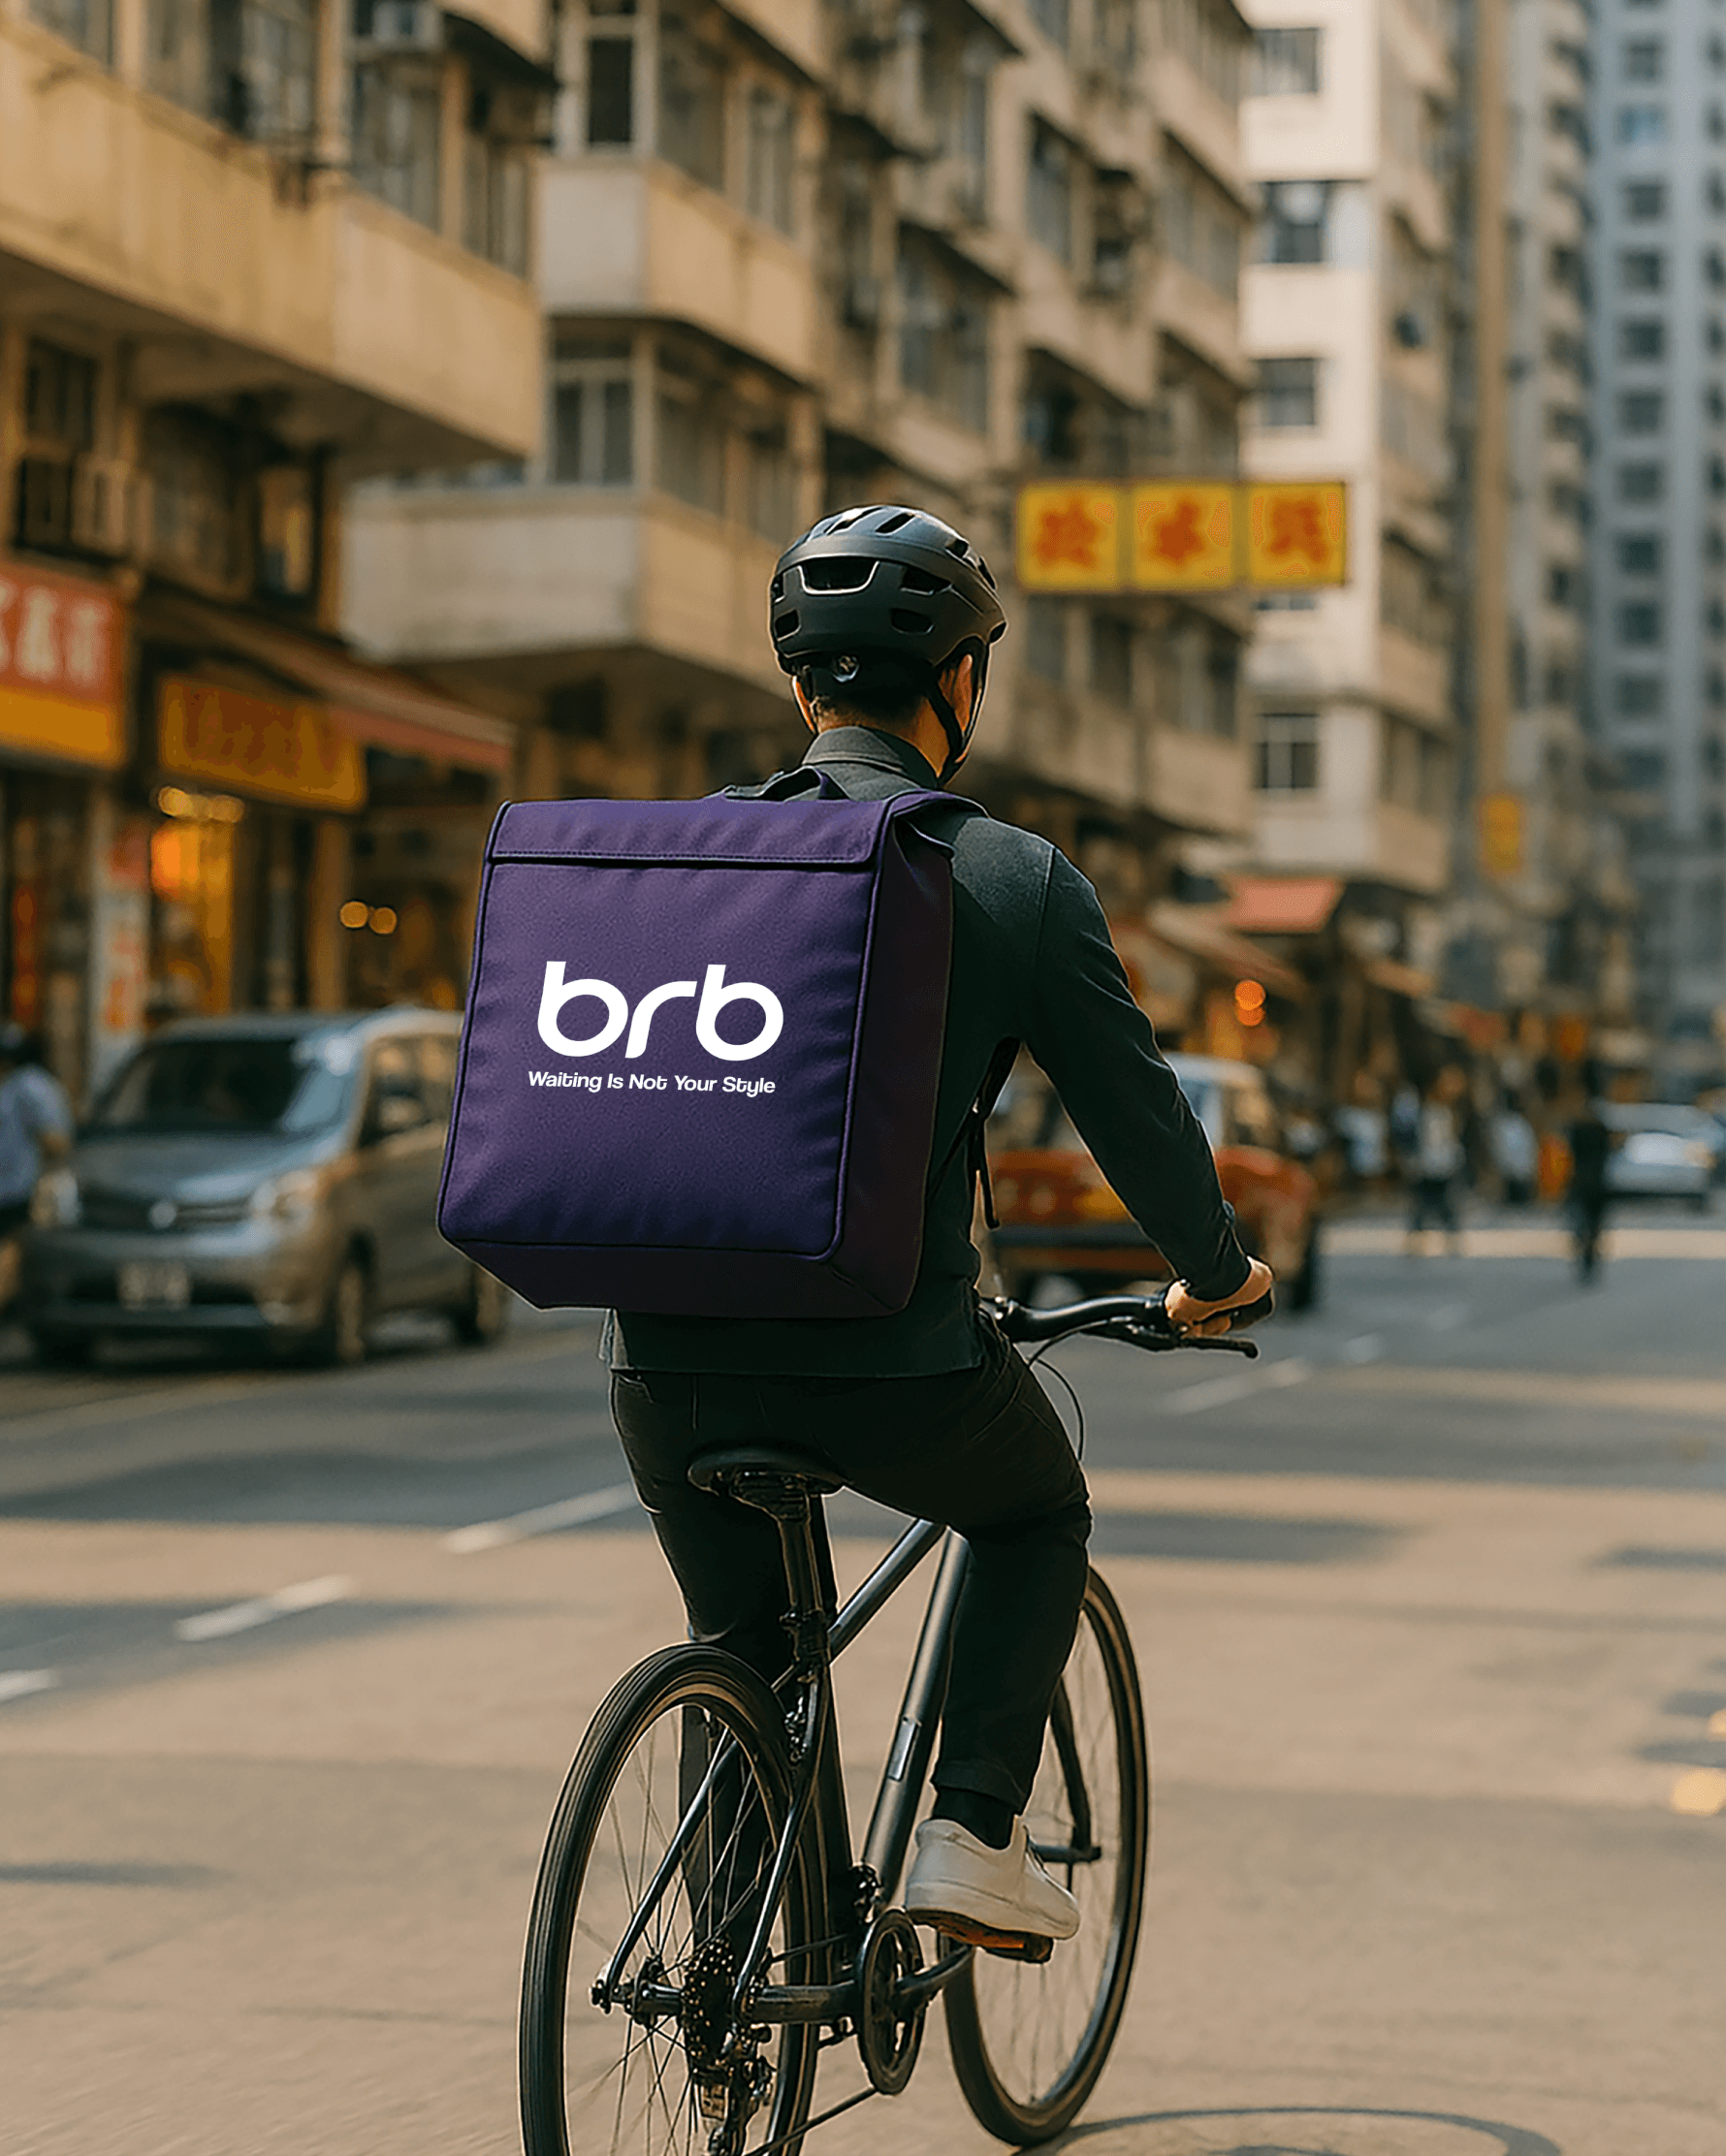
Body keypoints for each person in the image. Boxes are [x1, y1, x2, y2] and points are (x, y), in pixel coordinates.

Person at [607, 506, 1272, 1953]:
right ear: (961, 685)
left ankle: (724, 1988)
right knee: (1037, 1508)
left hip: (661, 1370)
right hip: (891, 1365)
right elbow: (1138, 1120)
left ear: (802, 688)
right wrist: (1218, 1276)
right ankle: (972, 1828)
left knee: (754, 1659)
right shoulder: (1012, 879)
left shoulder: (681, 854)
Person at [0, 1026, 74, 1314]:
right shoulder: (28, 1085)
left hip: (16, 1183)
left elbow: (53, 1139)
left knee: (15, 1247)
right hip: (18, 1184)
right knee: (14, 1249)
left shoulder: (22, 1086)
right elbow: (58, 1141)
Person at [1405, 1065, 1467, 1254]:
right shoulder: (1422, 1111)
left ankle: (1452, 1237)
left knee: (1447, 1204)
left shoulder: (1453, 1111)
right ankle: (1416, 1238)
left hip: (1446, 1164)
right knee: (1422, 1204)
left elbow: (1454, 1137)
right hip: (1426, 1165)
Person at [1567, 1095, 1614, 1282]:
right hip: (1598, 1184)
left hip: (1581, 1183)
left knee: (1582, 1221)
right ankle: (1590, 1251)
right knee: (1593, 1224)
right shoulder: (1600, 1130)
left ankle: (1585, 1249)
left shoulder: (1577, 1129)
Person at [1490, 1094, 1539, 1208]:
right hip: (1518, 1176)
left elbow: (1500, 1152)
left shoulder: (1503, 1124)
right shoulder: (1523, 1123)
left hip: (1515, 1175)